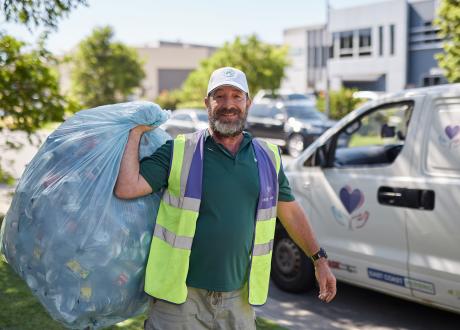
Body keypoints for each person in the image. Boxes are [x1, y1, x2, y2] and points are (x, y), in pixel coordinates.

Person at [114, 67, 336, 330]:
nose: (228, 104)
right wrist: (135, 132)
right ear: (207, 103)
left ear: (248, 103)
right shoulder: (178, 150)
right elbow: (127, 188)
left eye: (236, 96)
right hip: (178, 298)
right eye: (219, 96)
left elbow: (291, 213)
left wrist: (319, 260)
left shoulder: (268, 157)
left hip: (238, 300)